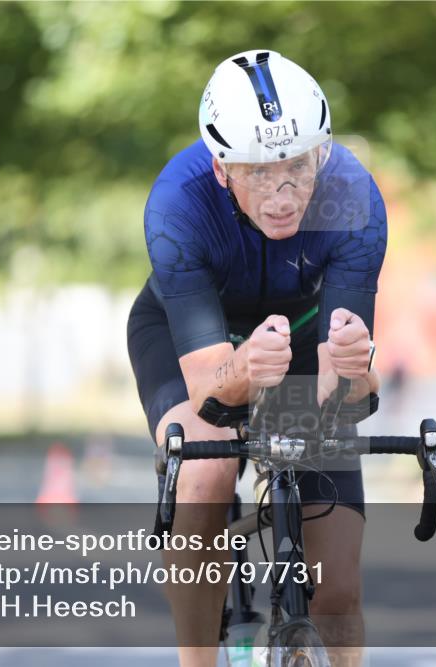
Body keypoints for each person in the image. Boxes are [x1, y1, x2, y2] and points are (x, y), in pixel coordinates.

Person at [126, 49, 386, 667]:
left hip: (298, 339)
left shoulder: (351, 195)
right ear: (221, 169)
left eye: (297, 166)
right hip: (190, 341)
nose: (282, 194)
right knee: (206, 472)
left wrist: (355, 368)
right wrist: (245, 370)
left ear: (321, 154)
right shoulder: (178, 203)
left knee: (339, 590)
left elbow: (346, 392)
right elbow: (211, 392)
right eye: (258, 171)